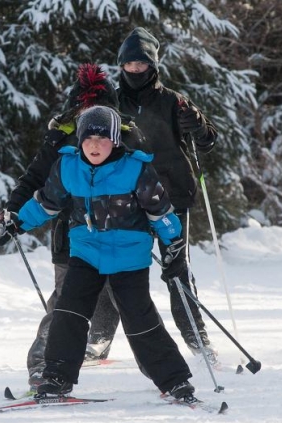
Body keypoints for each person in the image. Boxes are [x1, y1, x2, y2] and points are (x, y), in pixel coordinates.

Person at [0, 105, 196, 401]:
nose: (95, 145)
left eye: (102, 139)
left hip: (130, 258)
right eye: (88, 139)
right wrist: (16, 223)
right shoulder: (68, 167)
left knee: (140, 321)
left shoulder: (135, 168)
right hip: (86, 253)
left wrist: (175, 246)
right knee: (67, 314)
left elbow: (160, 213)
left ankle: (175, 381)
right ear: (79, 141)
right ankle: (55, 379)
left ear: (114, 141)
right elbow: (46, 203)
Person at [0, 64, 144, 390]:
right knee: (65, 300)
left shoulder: (126, 135)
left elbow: (147, 176)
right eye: (86, 112)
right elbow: (34, 178)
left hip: (120, 233)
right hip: (72, 235)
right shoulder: (61, 136)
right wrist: (12, 214)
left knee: (120, 295)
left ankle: (99, 342)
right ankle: (44, 367)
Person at [86, 26, 220, 363]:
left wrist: (198, 124)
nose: (134, 70)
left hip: (172, 196)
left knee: (177, 268)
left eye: (140, 65)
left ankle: (198, 340)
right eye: (128, 65)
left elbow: (208, 141)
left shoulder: (173, 101)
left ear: (153, 66)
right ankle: (99, 338)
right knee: (112, 269)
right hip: (124, 197)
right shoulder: (111, 103)